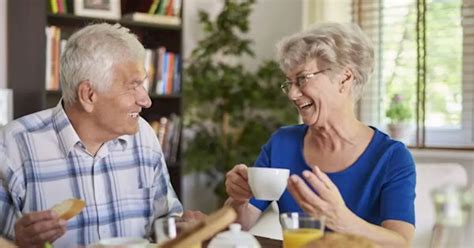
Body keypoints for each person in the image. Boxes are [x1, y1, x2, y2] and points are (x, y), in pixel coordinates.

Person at [0, 23, 203, 247]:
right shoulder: (12, 146)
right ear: (89, 95)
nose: (146, 100)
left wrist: (182, 229)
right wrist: (19, 243)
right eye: (133, 86)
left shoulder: (144, 135)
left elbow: (165, 221)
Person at [225, 23, 415, 247]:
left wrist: (342, 220)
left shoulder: (391, 157)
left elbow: (401, 242)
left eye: (303, 79)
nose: (293, 94)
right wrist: (239, 200)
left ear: (345, 78)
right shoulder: (282, 144)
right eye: (290, 83)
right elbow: (242, 225)